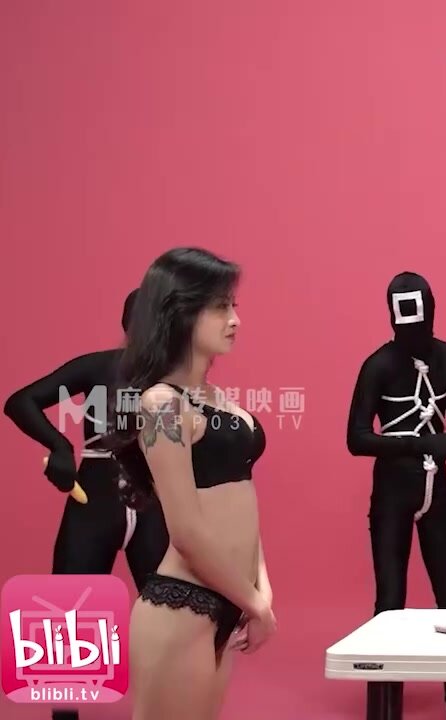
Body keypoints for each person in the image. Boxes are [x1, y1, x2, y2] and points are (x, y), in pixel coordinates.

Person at [101, 247, 274, 720]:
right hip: (183, 606)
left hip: (229, 601)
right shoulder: (161, 405)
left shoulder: (214, 397)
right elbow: (187, 532)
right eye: (220, 307)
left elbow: (243, 503)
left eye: (234, 305)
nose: (235, 320)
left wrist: (262, 590)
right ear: (179, 312)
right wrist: (255, 603)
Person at [3, 289, 169, 720]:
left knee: (172, 615)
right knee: (69, 616)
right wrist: (59, 446)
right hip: (95, 500)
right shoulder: (98, 368)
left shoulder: (178, 379)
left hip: (155, 503)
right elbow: (20, 401)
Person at [346, 271, 446, 720]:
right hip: (393, 491)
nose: (414, 330)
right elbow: (357, 438)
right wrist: (421, 443)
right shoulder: (378, 366)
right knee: (389, 601)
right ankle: (385, 708)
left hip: (436, 489)